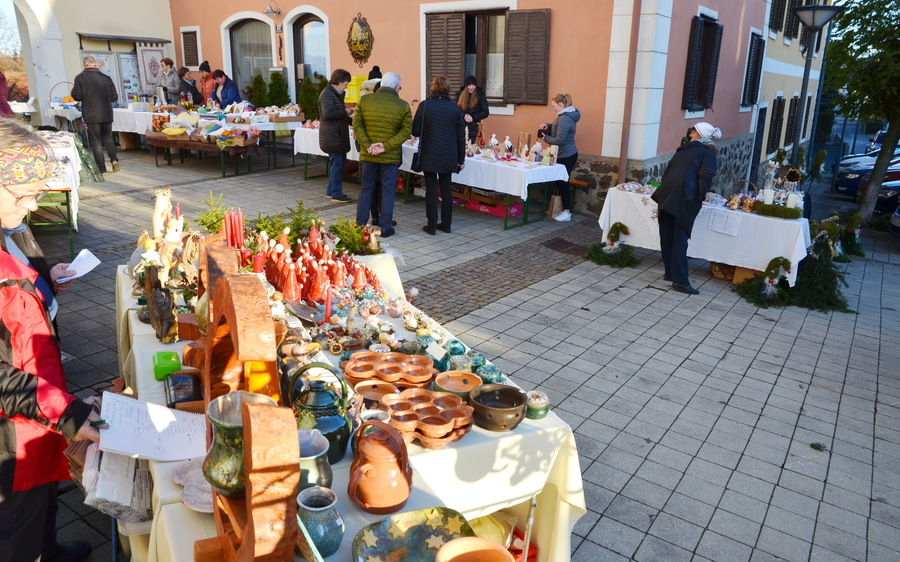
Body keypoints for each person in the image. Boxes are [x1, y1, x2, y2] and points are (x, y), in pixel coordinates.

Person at [0, 118, 107, 562]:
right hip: (11, 431)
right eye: (25, 195)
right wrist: (69, 412)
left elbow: (18, 276)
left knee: (43, 496)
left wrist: (43, 277)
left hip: (37, 403)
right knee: (16, 526)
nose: (32, 207)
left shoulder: (10, 224)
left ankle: (50, 547)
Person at [651, 122, 721, 295]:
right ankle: (680, 281)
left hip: (667, 196)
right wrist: (699, 198)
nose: (691, 134)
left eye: (694, 132)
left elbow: (667, 174)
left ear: (701, 135)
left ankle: (670, 273)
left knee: (668, 236)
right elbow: (705, 178)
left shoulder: (683, 150)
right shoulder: (706, 154)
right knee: (679, 240)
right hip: (684, 199)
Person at [352, 72, 411, 238]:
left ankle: (360, 225)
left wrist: (368, 145)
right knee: (388, 191)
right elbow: (406, 131)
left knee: (366, 189)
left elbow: (357, 125)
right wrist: (385, 147)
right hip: (389, 156)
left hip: (368, 154)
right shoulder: (403, 105)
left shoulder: (364, 100)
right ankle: (385, 227)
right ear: (395, 87)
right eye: (400, 86)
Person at [412, 75, 465, 235]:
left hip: (429, 151)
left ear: (433, 87)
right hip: (449, 153)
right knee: (446, 188)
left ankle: (432, 225)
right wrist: (460, 159)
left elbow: (415, 130)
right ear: (448, 88)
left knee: (431, 189)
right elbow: (460, 137)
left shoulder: (425, 105)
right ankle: (446, 224)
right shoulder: (455, 109)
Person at [71, 55, 120, 174]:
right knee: (108, 138)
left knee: (96, 142)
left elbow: (76, 96)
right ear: (95, 64)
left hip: (92, 114)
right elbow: (114, 97)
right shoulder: (106, 78)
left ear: (84, 64)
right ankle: (114, 160)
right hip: (107, 113)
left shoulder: (80, 78)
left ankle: (102, 169)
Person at [538, 93, 580, 222]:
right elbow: (559, 128)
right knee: (559, 181)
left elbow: (560, 140)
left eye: (554, 106)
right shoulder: (564, 117)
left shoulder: (565, 118)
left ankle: (567, 212)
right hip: (563, 154)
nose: (553, 108)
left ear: (561, 105)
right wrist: (548, 125)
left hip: (566, 155)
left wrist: (546, 138)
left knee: (562, 182)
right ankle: (558, 209)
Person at [318, 69, 354, 203]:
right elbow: (328, 114)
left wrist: (353, 121)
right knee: (337, 164)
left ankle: (330, 191)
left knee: (337, 164)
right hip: (333, 136)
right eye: (346, 83)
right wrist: (346, 111)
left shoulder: (335, 94)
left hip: (336, 135)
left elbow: (339, 115)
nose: (347, 86)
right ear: (339, 82)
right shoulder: (327, 94)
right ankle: (336, 193)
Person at [455, 75, 489, 144]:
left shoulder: (480, 95)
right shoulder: (459, 95)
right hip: (461, 126)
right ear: (466, 86)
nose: (471, 87)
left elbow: (485, 112)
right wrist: (464, 116)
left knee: (473, 147)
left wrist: (472, 118)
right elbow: (456, 109)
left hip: (475, 127)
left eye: (473, 85)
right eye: (469, 85)